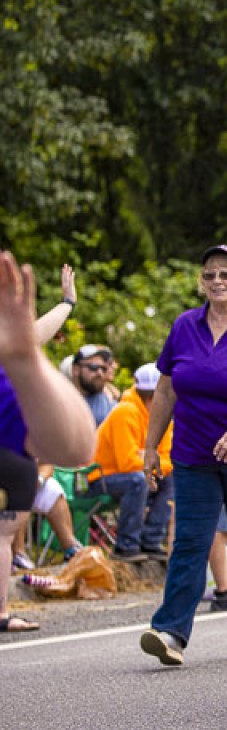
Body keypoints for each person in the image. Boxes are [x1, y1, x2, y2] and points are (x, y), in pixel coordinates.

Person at [139, 244, 227, 665]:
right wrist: (151, 446)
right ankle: (170, 633)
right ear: (201, 282)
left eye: (226, 274)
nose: (217, 282)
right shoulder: (185, 326)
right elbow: (166, 388)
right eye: (210, 275)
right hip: (192, 452)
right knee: (189, 540)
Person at [0, 252, 96, 633]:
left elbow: (75, 449)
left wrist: (25, 358)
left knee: (5, 535)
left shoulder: (10, 366)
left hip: (15, 463)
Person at [91, 363, 175, 562]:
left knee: (172, 479)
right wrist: (150, 457)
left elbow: (170, 459)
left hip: (133, 474)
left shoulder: (162, 417)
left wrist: (146, 456)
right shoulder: (125, 412)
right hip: (98, 479)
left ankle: (151, 540)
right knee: (137, 480)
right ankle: (126, 545)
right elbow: (126, 463)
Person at [71, 344, 118, 426]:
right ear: (76, 369)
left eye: (103, 368)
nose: (100, 373)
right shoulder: (62, 402)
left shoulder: (112, 408)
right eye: (93, 367)